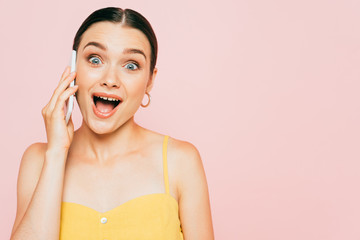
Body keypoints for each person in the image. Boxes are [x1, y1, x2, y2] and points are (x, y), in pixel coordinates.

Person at [10, 7, 214, 240]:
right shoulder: (39, 160)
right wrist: (57, 153)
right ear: (74, 67)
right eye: (95, 60)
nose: (109, 80)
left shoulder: (181, 161)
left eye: (130, 65)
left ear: (150, 80)